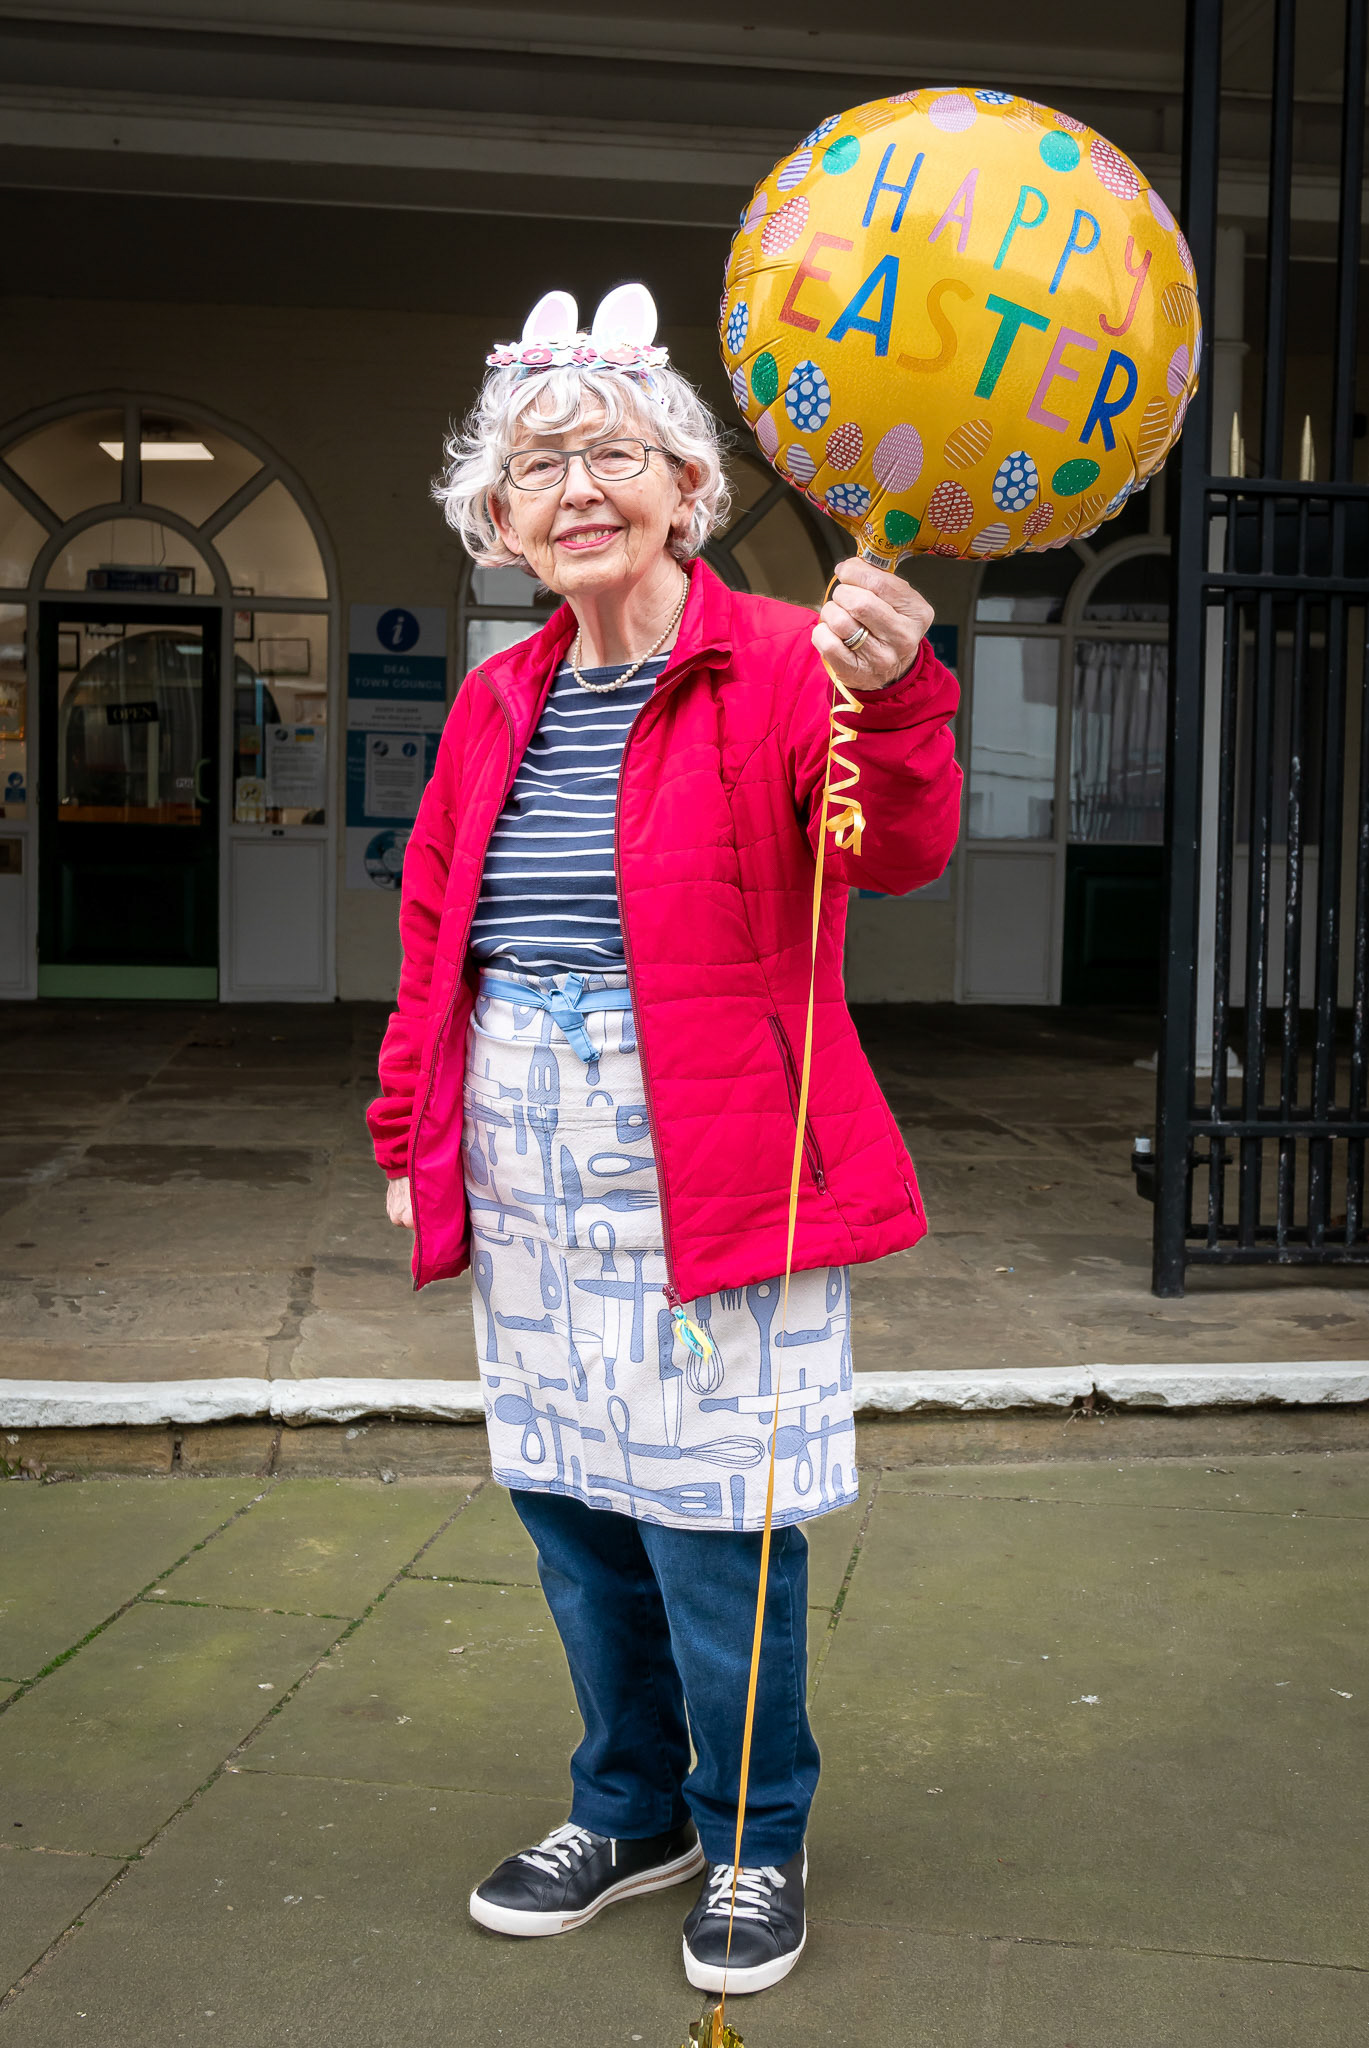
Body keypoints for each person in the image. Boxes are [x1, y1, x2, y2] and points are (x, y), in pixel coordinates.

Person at [368, 284, 961, 1995]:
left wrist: (901, 693)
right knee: (571, 1512)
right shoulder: (497, 700)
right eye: (536, 464)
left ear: (687, 491)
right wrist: (411, 1121)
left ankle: (754, 1833)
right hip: (528, 1156)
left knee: (718, 1531)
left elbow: (892, 851)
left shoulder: (786, 660)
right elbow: (437, 925)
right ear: (495, 520)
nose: (574, 489)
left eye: (612, 454)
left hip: (713, 1153)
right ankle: (629, 1811)